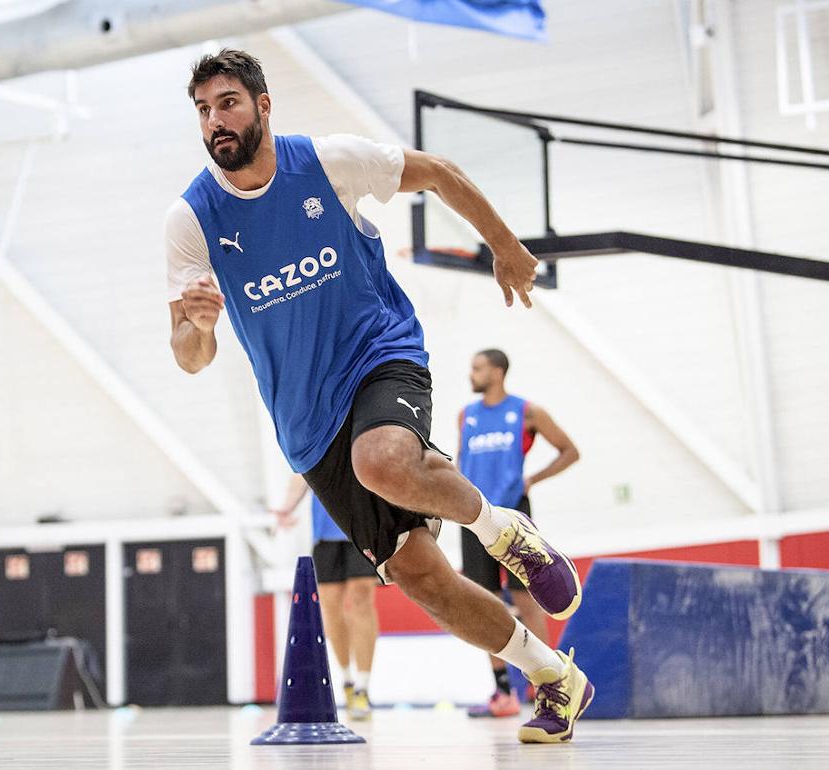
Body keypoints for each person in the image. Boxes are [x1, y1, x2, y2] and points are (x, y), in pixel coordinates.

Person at [166, 50, 593, 743]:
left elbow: (440, 172)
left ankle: (505, 532)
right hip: (308, 426)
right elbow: (189, 357)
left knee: (384, 459)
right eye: (205, 109)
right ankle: (553, 678)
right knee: (423, 578)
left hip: (380, 354)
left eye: (229, 102)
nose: (216, 119)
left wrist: (505, 246)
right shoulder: (191, 219)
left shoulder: (328, 162)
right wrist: (200, 326)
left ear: (263, 105)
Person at [459, 348, 581, 717]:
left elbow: (569, 451)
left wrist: (532, 479)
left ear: (497, 372)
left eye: (477, 368)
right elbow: (462, 461)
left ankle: (548, 683)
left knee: (527, 599)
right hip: (471, 514)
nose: (471, 374)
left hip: (512, 514)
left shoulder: (527, 411)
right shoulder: (466, 415)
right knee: (483, 601)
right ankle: (502, 693)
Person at [273, 474, 379, 720]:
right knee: (331, 606)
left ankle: (364, 686)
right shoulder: (317, 436)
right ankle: (348, 680)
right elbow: (301, 472)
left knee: (362, 598)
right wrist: (287, 507)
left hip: (363, 526)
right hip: (325, 531)